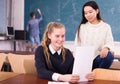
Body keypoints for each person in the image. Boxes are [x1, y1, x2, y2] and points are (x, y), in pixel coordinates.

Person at [74, 1, 114, 70]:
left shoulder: (106, 26)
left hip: (97, 59)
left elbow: (109, 42)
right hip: (84, 60)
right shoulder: (82, 27)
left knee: (109, 56)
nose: (88, 15)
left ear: (97, 11)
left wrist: (106, 48)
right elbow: (77, 45)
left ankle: (98, 75)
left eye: (90, 12)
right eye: (85, 13)